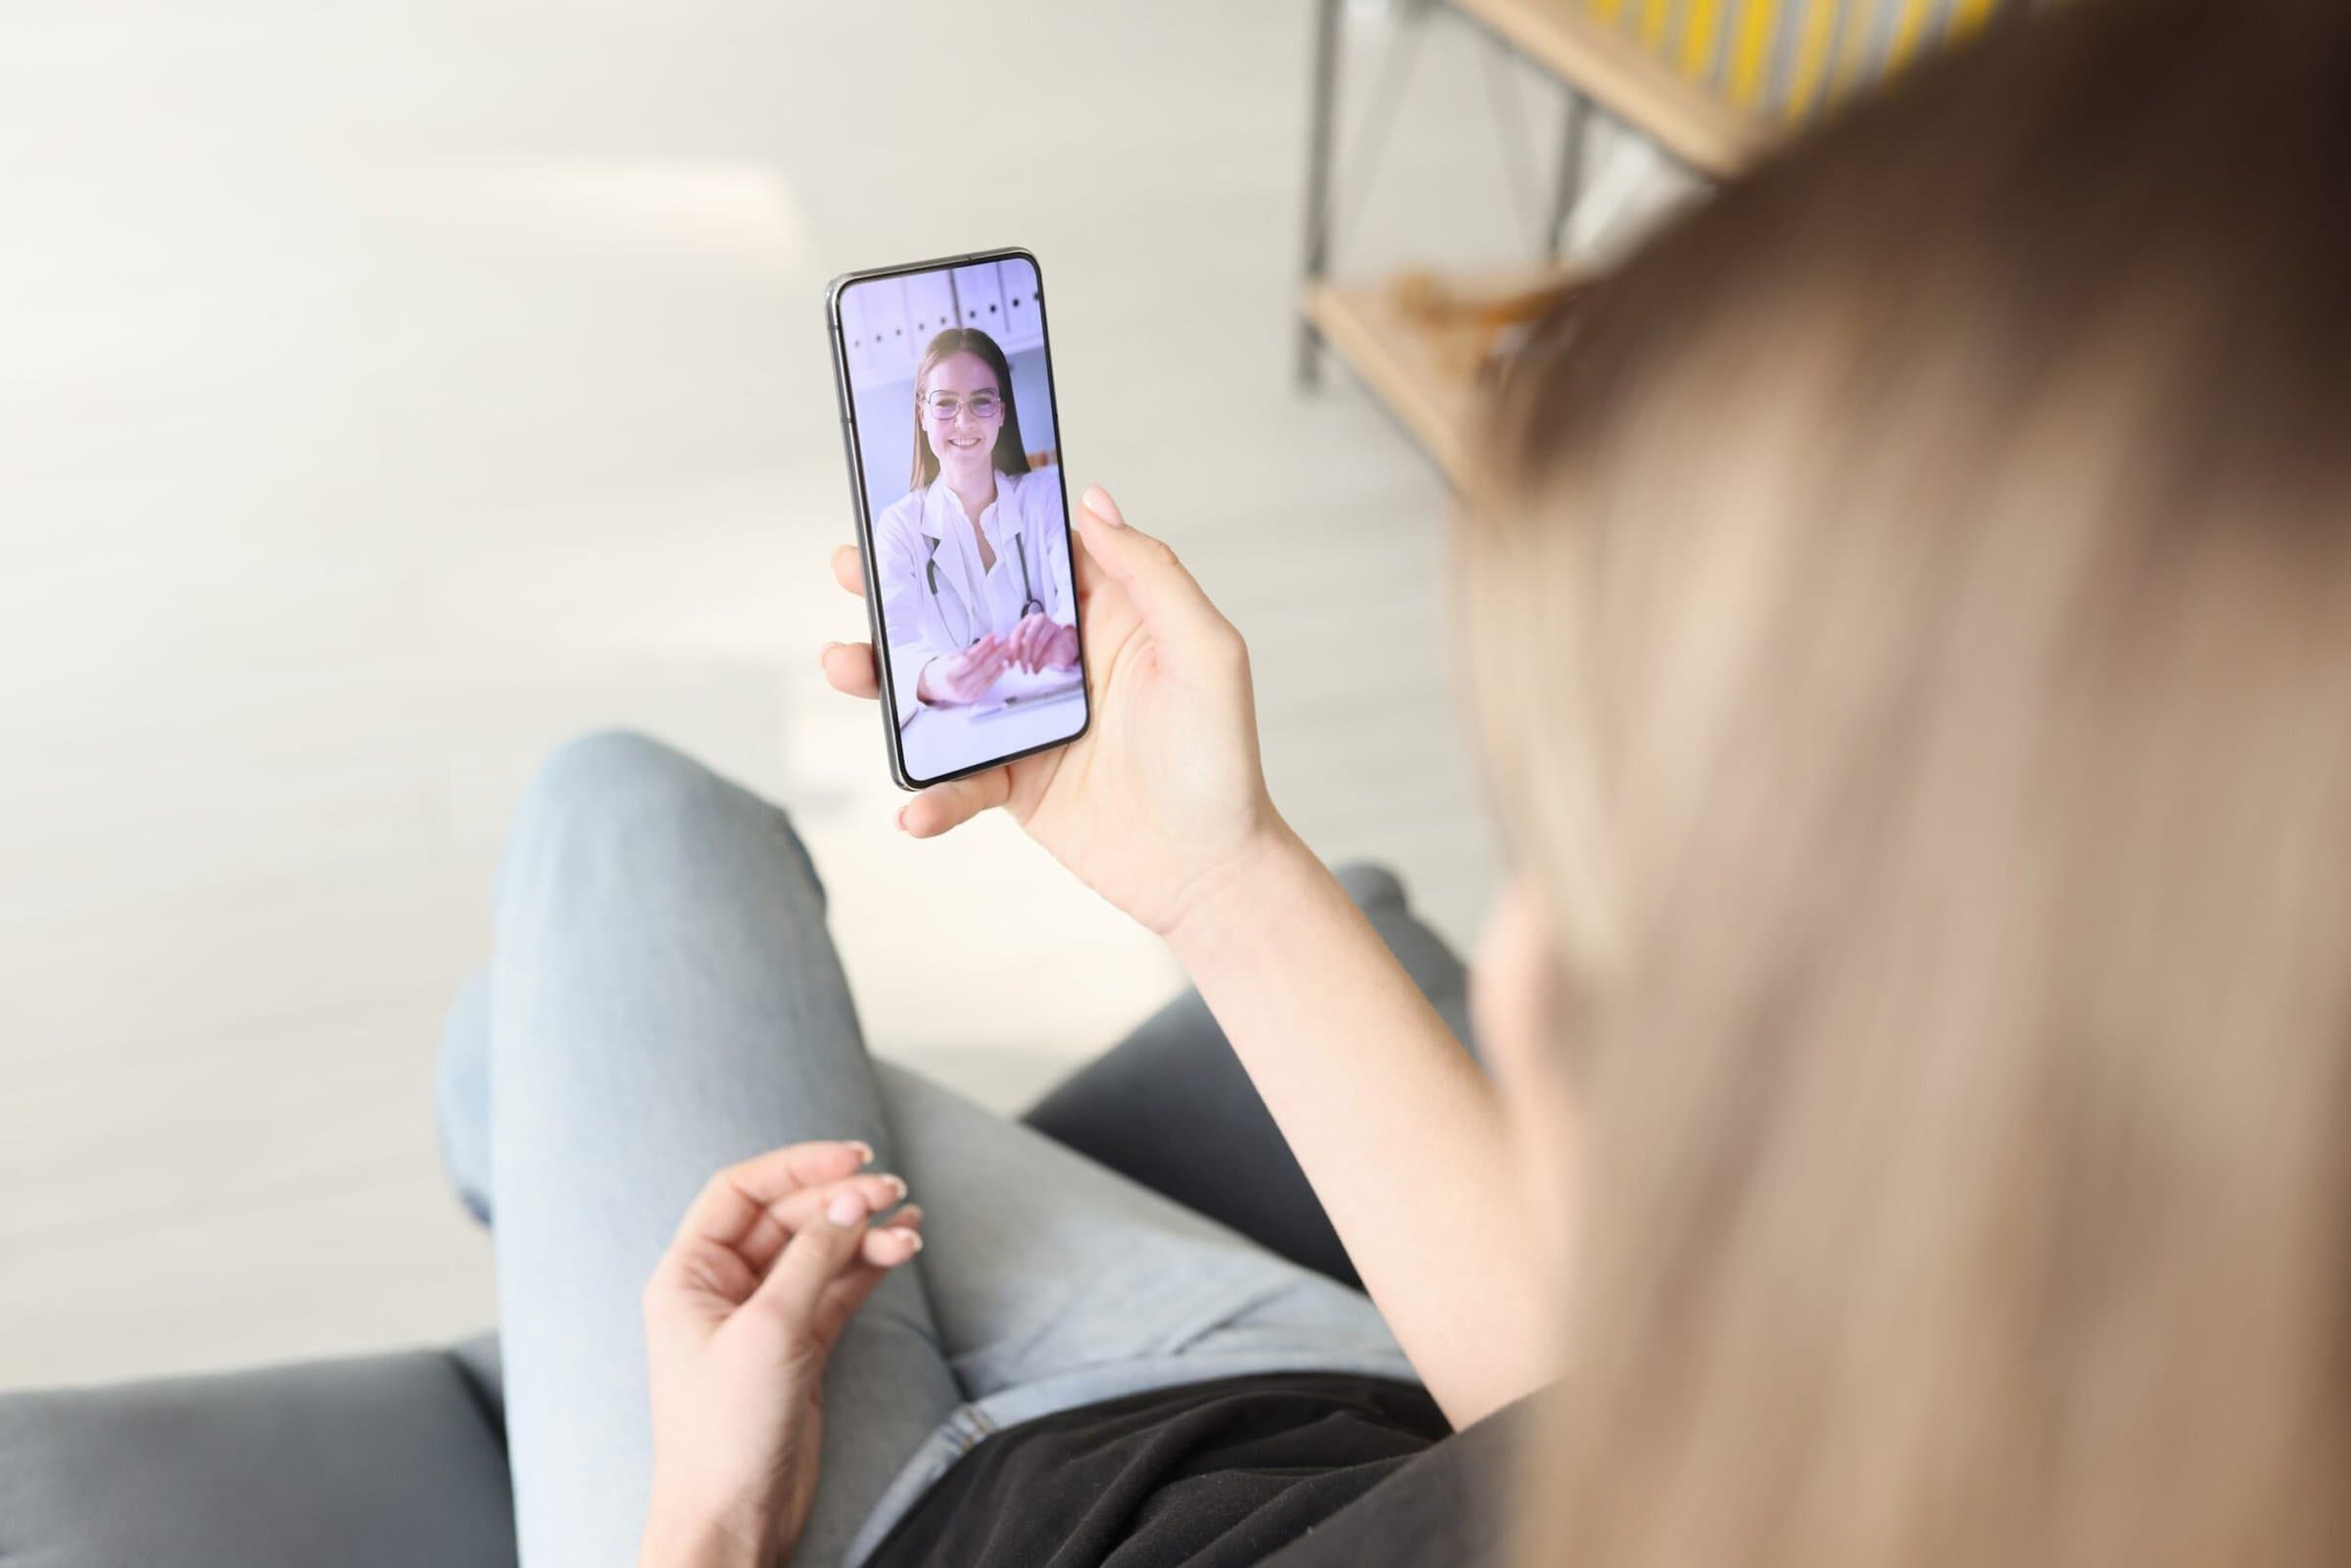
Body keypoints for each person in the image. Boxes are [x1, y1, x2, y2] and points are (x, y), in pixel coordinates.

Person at [436, 1, 2351, 1565]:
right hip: (1296, 1410)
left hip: (854, 1522)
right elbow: (1582, 1432)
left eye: (1651, 944)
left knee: (615, 841)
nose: (1509, 976)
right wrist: (1222, 875)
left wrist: (700, 1520)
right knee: (582, 976)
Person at [870, 326, 1079, 728]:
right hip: (960, 736)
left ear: (1001, 413)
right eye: (945, 403)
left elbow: (1082, 600)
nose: (963, 422)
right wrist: (934, 678)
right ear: (922, 415)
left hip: (1056, 718)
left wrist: (1067, 639)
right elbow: (890, 650)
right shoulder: (899, 528)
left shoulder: (1046, 495)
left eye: (981, 402)